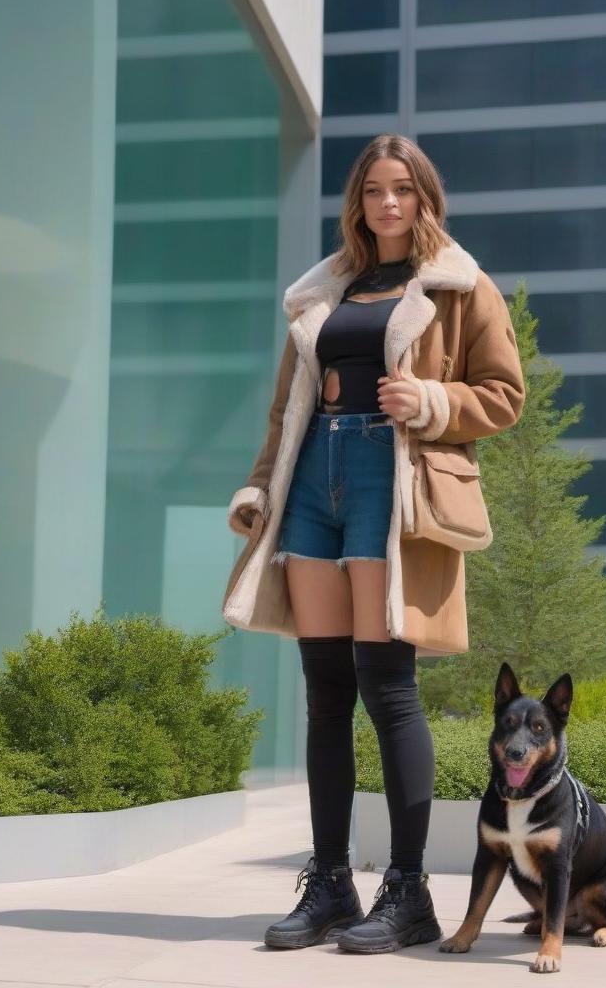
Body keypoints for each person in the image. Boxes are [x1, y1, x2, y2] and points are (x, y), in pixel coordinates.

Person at [222, 134, 526, 953]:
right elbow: (286, 411)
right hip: (315, 472)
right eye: (372, 191)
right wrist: (259, 486)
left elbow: (504, 393)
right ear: (357, 203)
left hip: (391, 484)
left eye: (403, 190)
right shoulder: (325, 289)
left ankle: (408, 890)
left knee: (387, 688)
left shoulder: (460, 285)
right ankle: (328, 884)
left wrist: (429, 400)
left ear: (426, 198)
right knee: (325, 691)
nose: (387, 204)